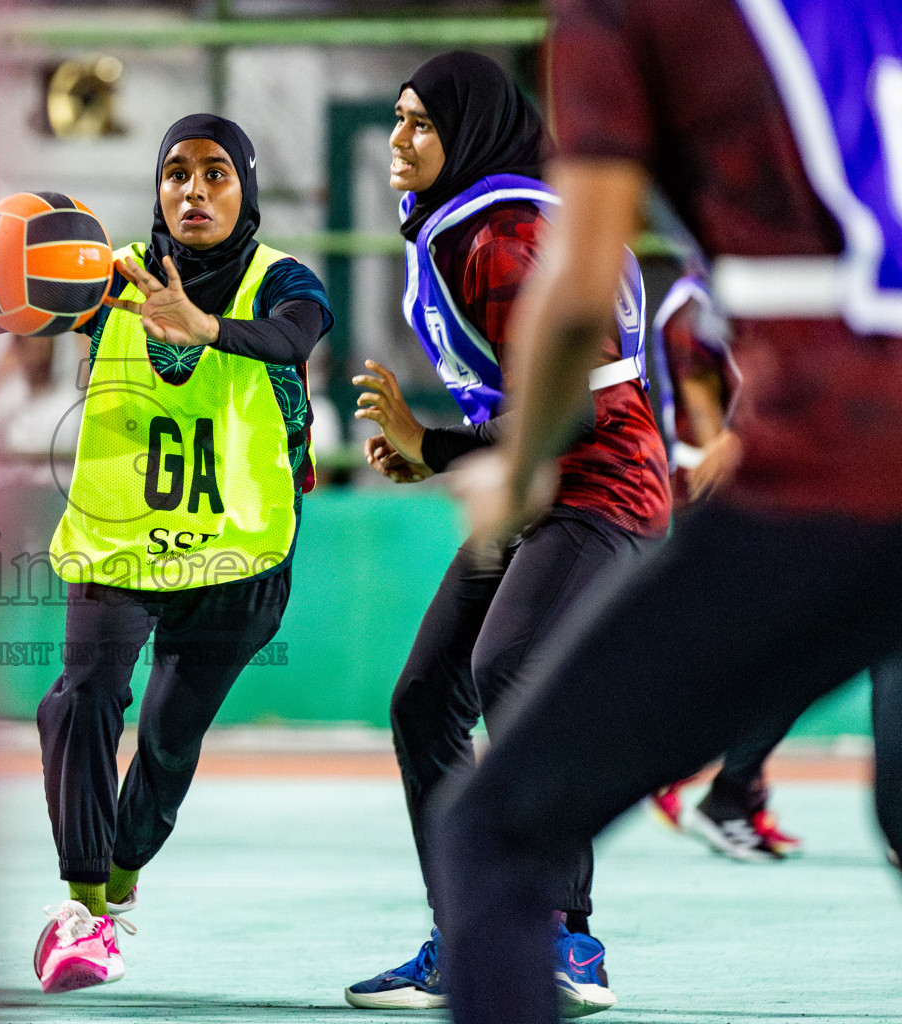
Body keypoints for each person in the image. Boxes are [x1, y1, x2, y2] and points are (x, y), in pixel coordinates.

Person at [434, 3, 902, 1022]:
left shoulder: (628, 13)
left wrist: (517, 464)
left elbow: (582, 274)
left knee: (496, 833)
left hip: (837, 479)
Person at [0, 114, 332, 994]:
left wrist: (205, 327)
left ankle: (117, 884)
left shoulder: (286, 280)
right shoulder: (110, 273)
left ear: (245, 187)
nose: (192, 191)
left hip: (239, 554)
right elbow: (36, 301)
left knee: (168, 742)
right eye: (175, 173)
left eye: (214, 174)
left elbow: (292, 337)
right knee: (79, 701)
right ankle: (83, 912)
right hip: (117, 542)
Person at [343, 52, 669, 1017]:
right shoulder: (477, 227)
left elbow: (566, 411)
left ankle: (568, 938)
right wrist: (439, 450)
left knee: (510, 664)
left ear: (470, 134)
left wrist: (440, 449)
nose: (399, 140)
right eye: (396, 118)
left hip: (603, 485)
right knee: (424, 698)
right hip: (545, 486)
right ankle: (472, 933)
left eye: (420, 124)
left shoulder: (500, 237)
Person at [646, 271, 804, 860]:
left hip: (751, 494)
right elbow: (711, 430)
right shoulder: (699, 300)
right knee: (779, 658)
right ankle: (703, 778)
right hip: (713, 495)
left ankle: (734, 790)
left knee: (772, 657)